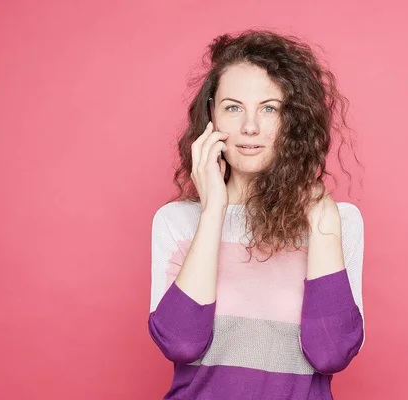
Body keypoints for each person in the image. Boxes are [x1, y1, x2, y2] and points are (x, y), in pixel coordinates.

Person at [149, 29, 365, 400]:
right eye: (234, 107)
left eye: (270, 108)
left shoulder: (337, 222)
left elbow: (331, 354)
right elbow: (181, 344)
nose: (250, 127)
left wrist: (322, 220)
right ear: (211, 116)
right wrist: (213, 209)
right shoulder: (177, 222)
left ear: (293, 120)